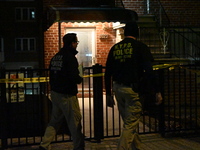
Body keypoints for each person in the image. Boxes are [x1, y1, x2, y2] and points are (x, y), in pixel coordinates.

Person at [104, 22, 162, 150]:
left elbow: (107, 73)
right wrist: (157, 91)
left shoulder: (115, 48)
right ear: (137, 33)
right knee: (130, 124)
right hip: (133, 91)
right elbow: (149, 71)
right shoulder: (140, 47)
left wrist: (108, 93)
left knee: (129, 123)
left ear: (124, 33)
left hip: (118, 89)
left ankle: (138, 148)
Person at [39, 33, 85, 150]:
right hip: (67, 95)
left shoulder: (56, 57)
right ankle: (78, 146)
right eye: (76, 42)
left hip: (55, 93)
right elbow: (75, 78)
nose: (76, 45)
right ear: (72, 43)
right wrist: (80, 77)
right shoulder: (70, 58)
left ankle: (44, 145)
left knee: (54, 121)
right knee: (75, 123)